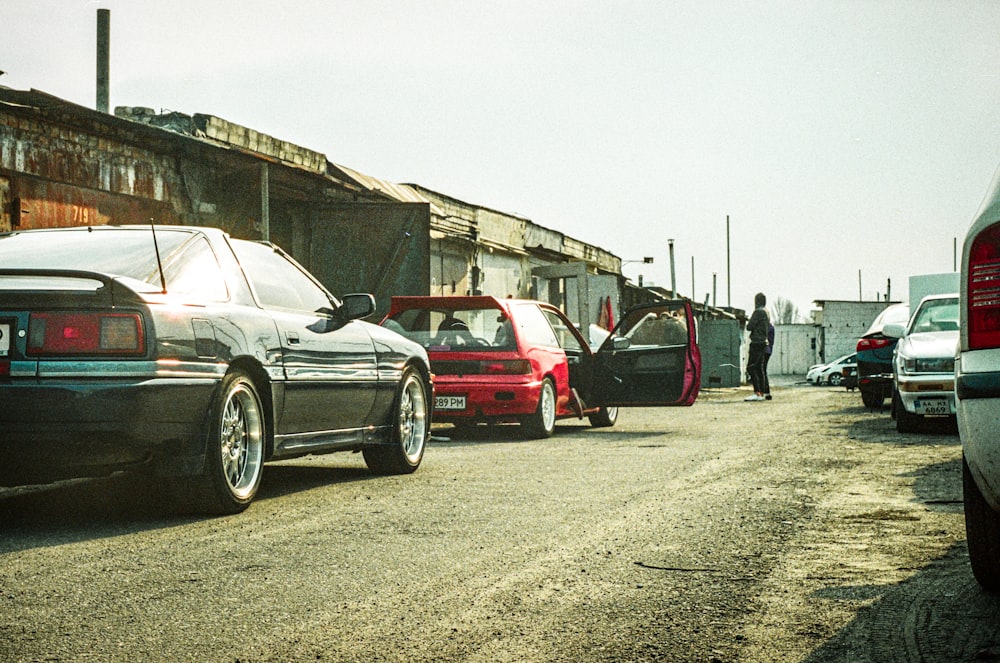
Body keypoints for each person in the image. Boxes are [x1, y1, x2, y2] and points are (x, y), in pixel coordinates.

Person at [745, 292, 771, 402]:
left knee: (751, 367)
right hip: (763, 343)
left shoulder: (758, 312)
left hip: (756, 343)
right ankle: (764, 392)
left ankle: (757, 392)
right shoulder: (767, 311)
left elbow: (749, 327)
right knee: (760, 369)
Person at [763, 321, 775, 400]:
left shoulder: (767, 327)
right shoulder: (770, 326)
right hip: (768, 350)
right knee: (763, 370)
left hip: (765, 350)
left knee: (762, 370)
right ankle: (765, 391)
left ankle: (765, 391)